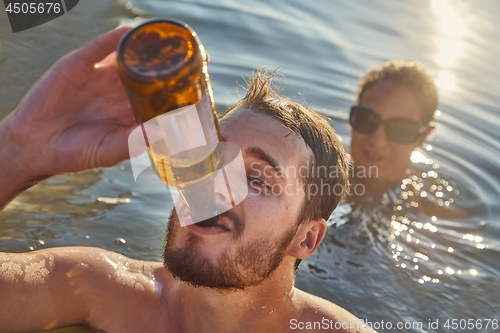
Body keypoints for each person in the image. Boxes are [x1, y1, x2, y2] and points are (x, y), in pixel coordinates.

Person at [0, 28, 375, 332]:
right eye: (211, 159)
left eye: (257, 180)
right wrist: (18, 151)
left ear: (306, 238)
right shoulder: (97, 289)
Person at [347, 59, 463, 218]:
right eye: (366, 119)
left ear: (423, 136)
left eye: (400, 129)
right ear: (351, 118)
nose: (377, 141)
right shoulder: (311, 174)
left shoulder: (436, 215)